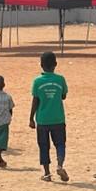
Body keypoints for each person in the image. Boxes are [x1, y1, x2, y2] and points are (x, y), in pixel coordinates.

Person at [29, 52, 69, 182]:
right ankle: (60, 165)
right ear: (55, 64)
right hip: (58, 119)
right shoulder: (60, 79)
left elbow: (35, 101)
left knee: (43, 146)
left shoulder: (37, 81)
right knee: (60, 144)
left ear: (41, 65)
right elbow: (63, 95)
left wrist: (31, 118)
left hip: (42, 120)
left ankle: (47, 173)